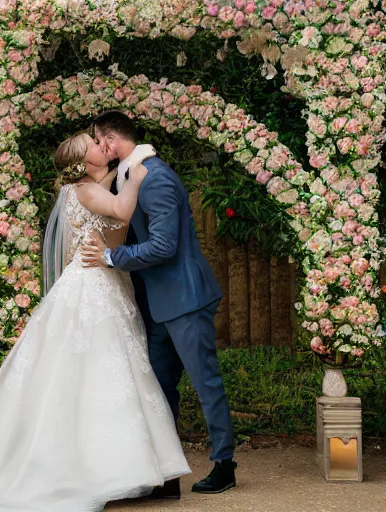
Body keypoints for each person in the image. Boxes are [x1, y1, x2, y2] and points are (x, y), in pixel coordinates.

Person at [0, 132, 191, 511]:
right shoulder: (85, 190)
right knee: (100, 369)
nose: (101, 144)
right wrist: (136, 172)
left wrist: (123, 166)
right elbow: (121, 211)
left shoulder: (88, 186)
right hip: (92, 287)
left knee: (106, 370)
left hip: (104, 280)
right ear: (83, 160)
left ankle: (113, 462)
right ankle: (92, 465)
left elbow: (109, 195)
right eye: (93, 142)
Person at [82, 110, 237, 496]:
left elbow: (165, 246)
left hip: (186, 298)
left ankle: (225, 464)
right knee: (160, 388)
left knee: (206, 384)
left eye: (100, 141)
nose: (99, 147)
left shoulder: (157, 178)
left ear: (111, 142)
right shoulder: (132, 175)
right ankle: (167, 474)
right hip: (158, 304)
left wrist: (112, 258)